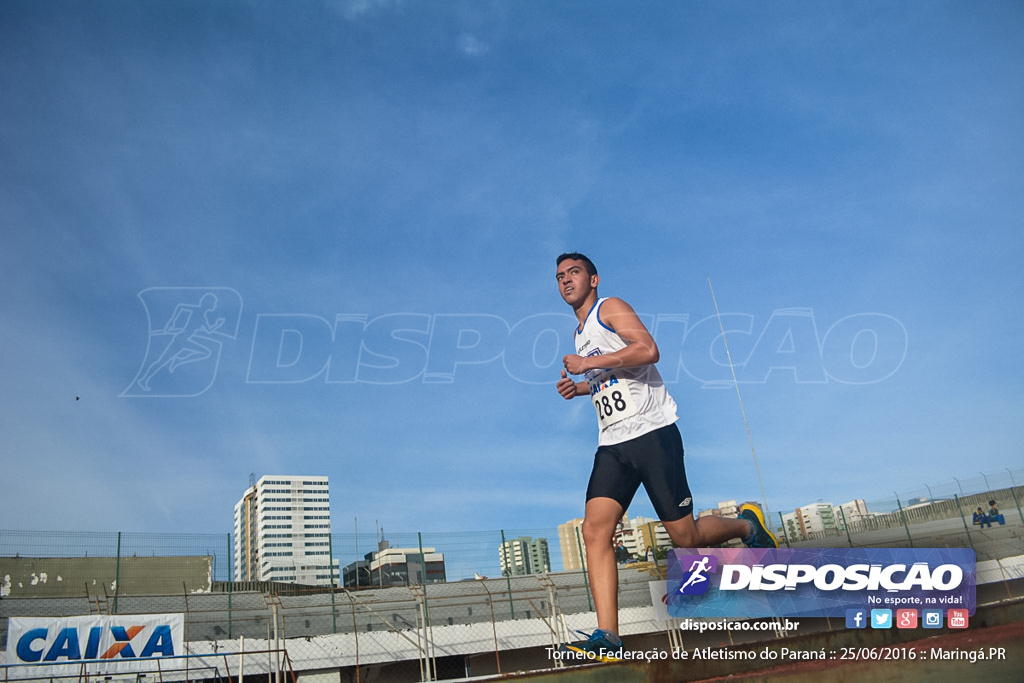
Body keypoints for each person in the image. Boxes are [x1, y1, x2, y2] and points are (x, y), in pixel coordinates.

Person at [554, 253, 777, 660]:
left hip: (653, 435)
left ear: (594, 278)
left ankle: (746, 526)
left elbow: (648, 350)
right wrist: (583, 386)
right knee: (593, 531)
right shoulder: (578, 333)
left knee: (684, 537)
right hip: (613, 445)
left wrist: (589, 362)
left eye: (574, 273)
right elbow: (613, 378)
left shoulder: (611, 308)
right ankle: (609, 636)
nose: (566, 280)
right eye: (559, 277)